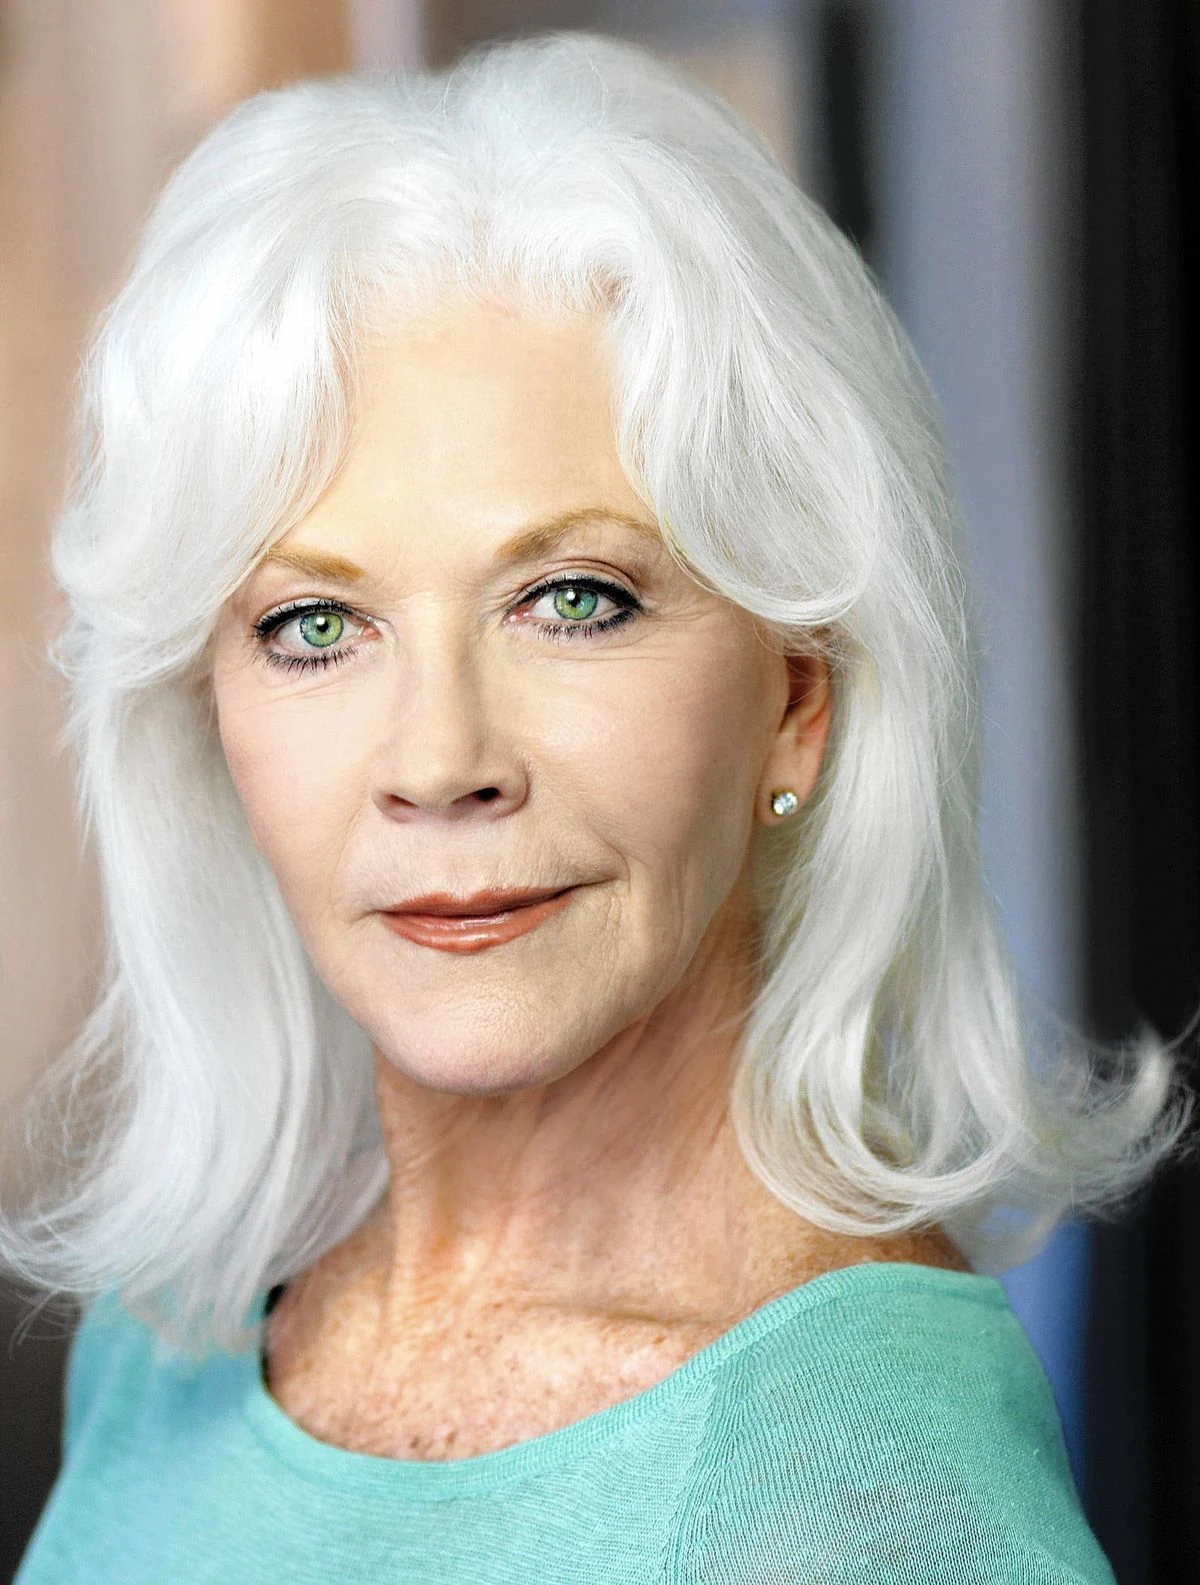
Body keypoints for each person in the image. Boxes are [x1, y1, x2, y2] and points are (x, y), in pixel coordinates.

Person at [4, 30, 1186, 1584]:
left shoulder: (863, 1511)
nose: (441, 759)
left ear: (798, 696)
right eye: (314, 626)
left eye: (574, 599)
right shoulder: (167, 1349)